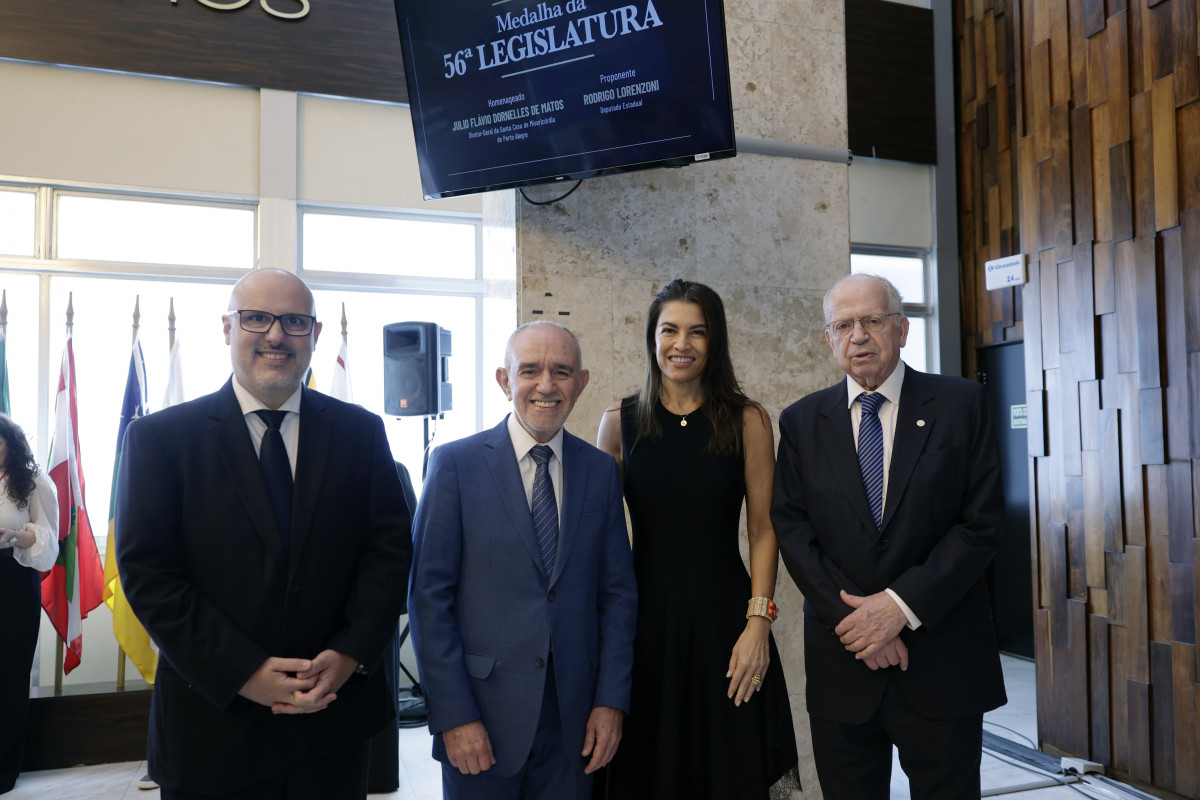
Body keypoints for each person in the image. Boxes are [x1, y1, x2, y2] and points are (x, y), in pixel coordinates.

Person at [115, 268, 413, 800]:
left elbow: (388, 553)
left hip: (333, 721)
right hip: (211, 723)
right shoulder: (160, 440)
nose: (276, 335)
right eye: (257, 318)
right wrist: (244, 671)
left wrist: (349, 654)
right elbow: (149, 577)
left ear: (315, 335)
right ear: (228, 328)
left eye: (295, 321)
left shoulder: (361, 433)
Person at [772, 273, 1006, 799]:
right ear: (828, 340)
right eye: (844, 325)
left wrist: (899, 607)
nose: (859, 336)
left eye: (872, 321)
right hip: (844, 663)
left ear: (901, 330)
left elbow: (981, 524)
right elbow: (791, 528)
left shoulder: (961, 404)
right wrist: (859, 623)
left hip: (943, 660)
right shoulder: (802, 422)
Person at [408, 320, 637, 800]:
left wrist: (611, 703)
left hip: (575, 722)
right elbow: (430, 601)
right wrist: (454, 715)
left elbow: (617, 596)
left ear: (582, 382)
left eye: (562, 371)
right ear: (504, 380)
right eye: (530, 370)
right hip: (481, 718)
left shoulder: (600, 471)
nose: (547, 385)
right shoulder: (453, 465)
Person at [596, 279, 799, 799]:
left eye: (697, 332)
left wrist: (759, 623)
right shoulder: (619, 422)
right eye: (670, 330)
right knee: (648, 772)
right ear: (652, 337)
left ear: (715, 342)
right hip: (645, 626)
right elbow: (600, 537)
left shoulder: (748, 420)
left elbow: (763, 528)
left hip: (725, 625)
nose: (681, 344)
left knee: (726, 771)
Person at [0, 414, 58, 795]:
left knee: (8, 675)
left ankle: (4, 770)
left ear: (11, 443)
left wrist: (11, 536)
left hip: (12, 583)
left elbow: (48, 543)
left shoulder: (34, 483)